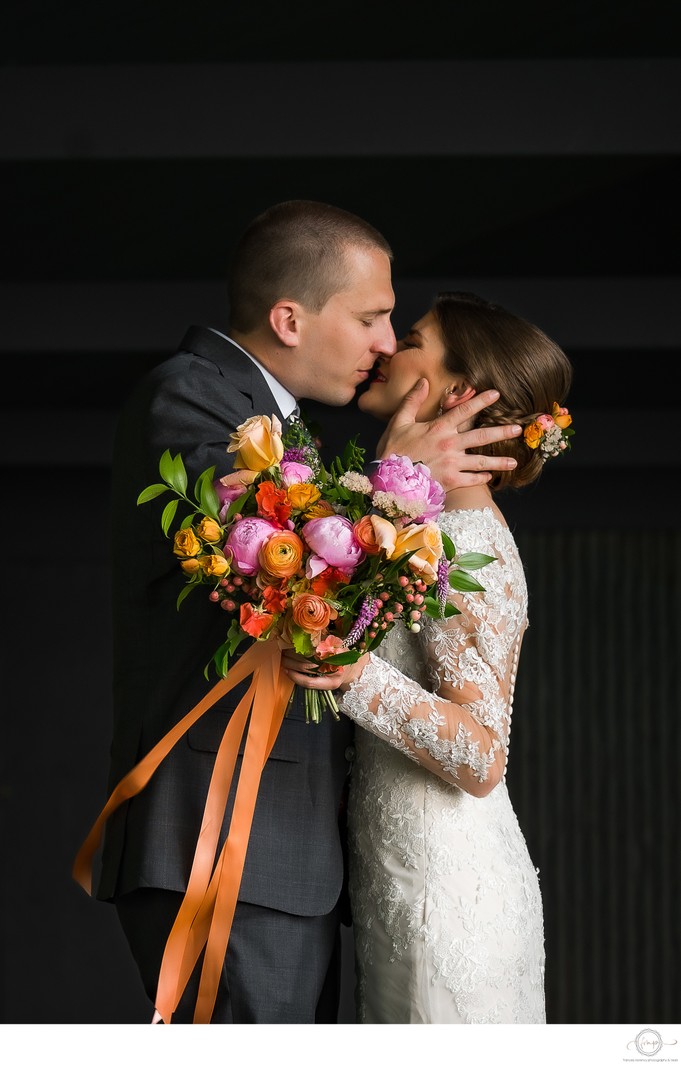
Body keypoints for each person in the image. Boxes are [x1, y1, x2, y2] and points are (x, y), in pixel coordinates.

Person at [96, 202, 522, 1024]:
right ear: (289, 318)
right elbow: (284, 592)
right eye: (370, 316)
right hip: (225, 840)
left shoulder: (280, 426)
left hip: (282, 853)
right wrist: (396, 482)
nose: (384, 340)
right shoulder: (189, 400)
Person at [283, 289, 573, 1023]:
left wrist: (355, 673)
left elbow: (480, 755)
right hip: (404, 882)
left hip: (446, 898)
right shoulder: (427, 521)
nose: (385, 347)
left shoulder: (463, 537)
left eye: (409, 337)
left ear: (459, 392)